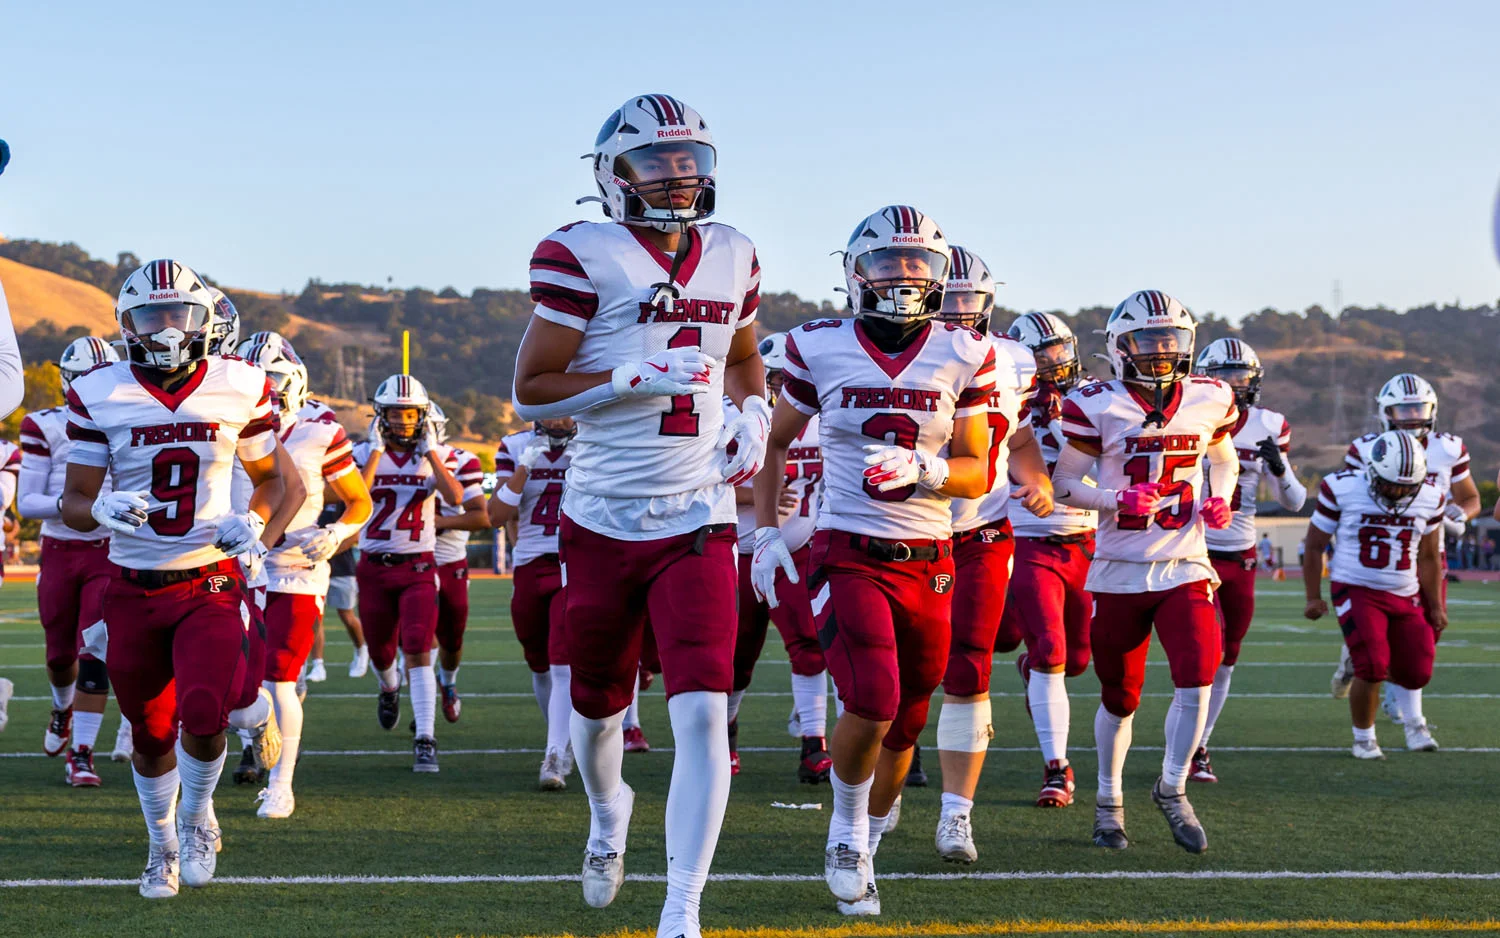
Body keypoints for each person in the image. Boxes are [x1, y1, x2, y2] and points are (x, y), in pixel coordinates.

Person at [513, 93, 768, 938]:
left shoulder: (733, 254)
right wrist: (619, 384)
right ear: (612, 175)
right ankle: (606, 812)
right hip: (602, 517)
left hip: (699, 513)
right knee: (595, 713)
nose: (677, 178)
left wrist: (755, 411)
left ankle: (682, 906)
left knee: (701, 707)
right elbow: (530, 391)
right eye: (655, 164)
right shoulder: (580, 254)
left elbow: (740, 353)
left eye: (689, 162)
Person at [753, 205, 1044, 915]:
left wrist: (928, 469)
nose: (905, 277)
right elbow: (776, 442)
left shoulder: (966, 352)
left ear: (942, 277)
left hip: (931, 553)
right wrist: (767, 529)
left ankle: (871, 840)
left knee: (911, 717)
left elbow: (980, 467)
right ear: (856, 272)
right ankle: (847, 833)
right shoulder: (818, 344)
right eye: (890, 262)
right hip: (848, 545)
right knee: (873, 698)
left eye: (920, 264)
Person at [61, 259, 287, 898]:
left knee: (204, 712)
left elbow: (272, 480)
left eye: (175, 314)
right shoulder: (98, 391)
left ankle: (194, 822)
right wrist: (99, 508)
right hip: (132, 584)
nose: (163, 328)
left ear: (202, 318)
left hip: (208, 581)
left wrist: (254, 522)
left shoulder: (241, 384)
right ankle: (159, 845)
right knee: (151, 731)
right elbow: (76, 498)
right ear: (126, 324)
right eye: (149, 316)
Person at [1051, 289, 1239, 855]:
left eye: (1169, 340)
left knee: (1198, 675)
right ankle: (1109, 804)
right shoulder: (1095, 402)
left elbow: (1224, 459)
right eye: (1147, 340)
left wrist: (1223, 498)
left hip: (1185, 562)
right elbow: (1064, 484)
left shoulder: (1210, 396)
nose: (1160, 351)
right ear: (1118, 346)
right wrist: (1112, 500)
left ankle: (1173, 786)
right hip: (1118, 569)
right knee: (1120, 695)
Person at [928, 247, 1053, 866]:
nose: (953, 313)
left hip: (981, 531)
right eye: (941, 298)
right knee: (893, 676)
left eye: (964, 301)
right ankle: (879, 790)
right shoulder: (881, 352)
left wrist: (1039, 479)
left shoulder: (1012, 360)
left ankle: (957, 813)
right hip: (904, 532)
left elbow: (1023, 436)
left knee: (970, 667)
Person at [235, 331, 371, 818]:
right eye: (255, 379)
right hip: (234, 565)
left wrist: (335, 535)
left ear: (293, 379)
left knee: (280, 680)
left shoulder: (320, 428)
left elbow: (359, 501)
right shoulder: (228, 418)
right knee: (234, 686)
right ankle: (255, 733)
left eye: (271, 379)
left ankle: (281, 785)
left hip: (294, 568)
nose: (264, 389)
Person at [1331, 373, 1477, 749]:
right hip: (1378, 557)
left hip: (1428, 553)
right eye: (1403, 409)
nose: (1412, 417)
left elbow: (1471, 498)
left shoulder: (1448, 447)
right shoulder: (1363, 448)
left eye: (1418, 409)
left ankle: (1373, 671)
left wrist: (1460, 515)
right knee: (1381, 650)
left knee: (1424, 639)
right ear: (1385, 412)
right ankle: (1414, 724)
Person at [1190, 339, 1306, 782]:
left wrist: (1281, 468)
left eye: (1242, 377)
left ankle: (1202, 743)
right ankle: (1191, 743)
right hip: (1193, 550)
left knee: (1228, 656)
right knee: (1206, 649)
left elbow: (1294, 503)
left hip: (1240, 554)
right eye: (1226, 376)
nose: (1235, 386)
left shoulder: (1269, 425)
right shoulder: (1191, 411)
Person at [19, 338, 134, 783]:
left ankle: (81, 754)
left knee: (94, 648)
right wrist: (86, 505)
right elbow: (27, 503)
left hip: (107, 552)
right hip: (60, 550)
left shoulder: (128, 420)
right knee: (58, 654)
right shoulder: (44, 424)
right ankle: (62, 708)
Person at [726, 332, 831, 782]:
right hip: (737, 549)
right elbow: (697, 484)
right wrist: (756, 495)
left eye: (793, 380)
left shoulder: (824, 421)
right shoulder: (728, 419)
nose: (785, 389)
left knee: (810, 644)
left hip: (797, 545)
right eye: (777, 379)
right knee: (734, 656)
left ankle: (813, 744)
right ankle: (724, 736)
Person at [1304, 430, 1445, 759]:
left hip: (1404, 590)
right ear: (1372, 471)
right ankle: (1364, 738)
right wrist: (1313, 596)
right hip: (1356, 585)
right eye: (1390, 484)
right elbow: (1314, 546)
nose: (1397, 493)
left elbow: (1428, 556)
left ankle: (1358, 661)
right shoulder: (1343, 487)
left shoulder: (1430, 496)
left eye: (1406, 487)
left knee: (1416, 670)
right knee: (1374, 665)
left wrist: (1435, 604)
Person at [1005, 311, 1096, 809]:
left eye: (1060, 352)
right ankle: (1057, 766)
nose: (1056, 364)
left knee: (1079, 660)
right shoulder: (1005, 396)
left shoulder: (1094, 397)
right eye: (1045, 357)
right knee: (1053, 653)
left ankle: (1032, 666)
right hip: (1032, 538)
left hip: (1086, 539)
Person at [353, 374, 464, 773]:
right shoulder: (361, 452)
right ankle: (388, 687)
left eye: (411, 413)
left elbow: (455, 498)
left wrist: (431, 453)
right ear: (380, 415)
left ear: (423, 415)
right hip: (374, 568)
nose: (403, 421)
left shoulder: (436, 454)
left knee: (418, 646)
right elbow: (357, 500)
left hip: (418, 565)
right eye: (396, 414)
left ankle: (425, 739)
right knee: (382, 653)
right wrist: (376, 453)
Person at [490, 417, 576, 789]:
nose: (560, 419)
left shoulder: (595, 439)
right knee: (538, 662)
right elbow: (496, 515)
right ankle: (559, 739)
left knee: (562, 661)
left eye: (566, 410)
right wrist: (525, 467)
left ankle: (554, 754)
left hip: (572, 564)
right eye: (553, 410)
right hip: (528, 563)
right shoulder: (515, 446)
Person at [428, 402, 490, 723]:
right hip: (409, 560)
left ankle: (448, 684)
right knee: (417, 639)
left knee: (452, 639)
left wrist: (438, 523)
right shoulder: (382, 459)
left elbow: (481, 516)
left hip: (450, 559)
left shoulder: (461, 460)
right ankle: (421, 704)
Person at [318, 500, 366, 676]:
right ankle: (318, 663)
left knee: (347, 614)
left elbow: (355, 535)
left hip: (342, 566)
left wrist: (327, 551)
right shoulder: (306, 494)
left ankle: (361, 650)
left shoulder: (342, 499)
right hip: (313, 565)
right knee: (316, 617)